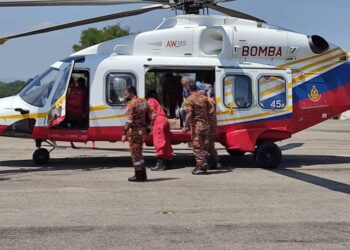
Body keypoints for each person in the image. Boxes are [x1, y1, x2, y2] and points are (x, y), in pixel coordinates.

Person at [121, 86, 155, 182]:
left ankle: (138, 175)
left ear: (131, 93)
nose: (125, 95)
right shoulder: (144, 101)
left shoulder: (132, 103)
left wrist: (124, 132)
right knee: (139, 152)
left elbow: (129, 119)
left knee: (135, 153)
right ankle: (143, 175)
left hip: (134, 131)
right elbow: (154, 112)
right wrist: (149, 126)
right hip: (142, 131)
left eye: (126, 94)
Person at [183, 81, 211, 175]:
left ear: (188, 88)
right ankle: (203, 164)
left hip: (197, 126)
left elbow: (189, 113)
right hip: (206, 125)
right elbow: (210, 109)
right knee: (205, 146)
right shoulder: (204, 97)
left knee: (197, 146)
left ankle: (201, 167)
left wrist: (185, 126)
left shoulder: (190, 99)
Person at [146, 90, 174, 170]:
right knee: (166, 142)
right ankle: (169, 162)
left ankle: (160, 164)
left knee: (159, 141)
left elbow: (154, 113)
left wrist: (150, 125)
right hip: (165, 120)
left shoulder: (150, 101)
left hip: (158, 121)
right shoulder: (158, 103)